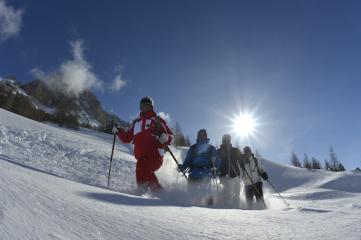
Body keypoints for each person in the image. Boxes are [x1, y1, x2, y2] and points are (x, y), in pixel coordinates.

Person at [113, 97, 173, 193]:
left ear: (151, 107)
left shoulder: (157, 120)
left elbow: (171, 137)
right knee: (140, 180)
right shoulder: (136, 123)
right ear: (140, 107)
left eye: (147, 105)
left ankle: (161, 194)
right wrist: (119, 131)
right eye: (142, 105)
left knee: (143, 168)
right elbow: (127, 138)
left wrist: (166, 137)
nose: (144, 107)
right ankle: (142, 198)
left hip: (155, 156)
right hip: (141, 159)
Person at [178, 129, 221, 205]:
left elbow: (218, 162)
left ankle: (210, 211)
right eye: (200, 135)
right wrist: (182, 167)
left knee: (207, 195)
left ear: (206, 136)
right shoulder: (193, 148)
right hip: (193, 174)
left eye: (203, 135)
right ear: (198, 136)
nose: (202, 136)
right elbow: (187, 161)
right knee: (191, 196)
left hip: (206, 174)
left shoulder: (211, 148)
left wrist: (216, 170)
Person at [217, 134, 242, 206]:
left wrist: (243, 159)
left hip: (235, 175)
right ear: (222, 140)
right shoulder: (219, 151)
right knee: (226, 193)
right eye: (225, 139)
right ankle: (225, 209)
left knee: (236, 193)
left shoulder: (235, 150)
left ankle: (237, 209)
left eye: (228, 139)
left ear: (230, 140)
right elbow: (215, 161)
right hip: (223, 175)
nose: (226, 141)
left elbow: (241, 158)